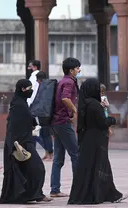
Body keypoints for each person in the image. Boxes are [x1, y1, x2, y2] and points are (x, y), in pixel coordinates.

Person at [68, 78, 128, 204]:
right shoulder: (94, 105)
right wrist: (113, 120)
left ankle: (107, 194)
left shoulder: (85, 103)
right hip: (96, 140)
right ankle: (106, 194)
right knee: (100, 165)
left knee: (94, 166)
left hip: (89, 138)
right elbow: (102, 122)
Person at [0, 79, 52, 204]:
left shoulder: (21, 102)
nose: (30, 91)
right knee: (37, 167)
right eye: (28, 88)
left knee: (27, 169)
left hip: (24, 140)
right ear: (22, 89)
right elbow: (13, 126)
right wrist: (15, 144)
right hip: (20, 143)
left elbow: (25, 120)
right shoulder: (18, 105)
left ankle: (32, 194)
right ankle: (34, 194)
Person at [50, 57, 80, 197]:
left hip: (56, 122)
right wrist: (75, 110)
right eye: (77, 68)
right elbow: (65, 98)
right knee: (76, 154)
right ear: (71, 70)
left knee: (58, 158)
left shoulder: (62, 81)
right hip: (63, 122)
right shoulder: (69, 82)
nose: (78, 70)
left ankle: (55, 189)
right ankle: (78, 188)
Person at [31, 71, 54, 160]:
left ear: (39, 80)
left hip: (44, 113)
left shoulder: (44, 86)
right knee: (44, 133)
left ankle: (50, 153)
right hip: (44, 113)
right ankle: (47, 152)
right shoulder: (47, 86)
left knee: (46, 133)